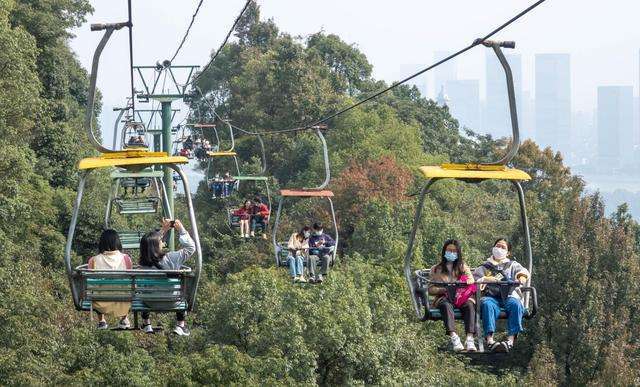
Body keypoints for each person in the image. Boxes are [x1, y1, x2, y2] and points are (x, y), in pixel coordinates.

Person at [138, 219, 196, 336]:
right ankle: (180, 325)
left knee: (144, 289)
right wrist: (181, 230)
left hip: (150, 302)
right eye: (161, 241)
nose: (162, 242)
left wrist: (163, 230)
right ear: (157, 245)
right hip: (173, 302)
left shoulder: (143, 263)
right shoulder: (172, 258)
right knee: (181, 290)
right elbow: (191, 248)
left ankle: (146, 323)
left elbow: (150, 243)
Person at [473, 238, 530, 353]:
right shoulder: (484, 267)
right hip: (491, 296)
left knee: (516, 305)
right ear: (493, 248)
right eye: (498, 246)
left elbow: (522, 271)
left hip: (508, 296)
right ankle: (490, 340)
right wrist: (485, 279)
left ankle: (510, 340)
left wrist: (521, 277)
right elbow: (475, 280)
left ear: (508, 252)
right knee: (487, 305)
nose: (499, 249)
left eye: (503, 247)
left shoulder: (512, 265)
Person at [428, 239, 477, 352]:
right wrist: (445, 289)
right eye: (449, 250)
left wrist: (467, 282)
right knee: (445, 305)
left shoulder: (462, 267)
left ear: (458, 253)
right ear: (444, 251)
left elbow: (470, 279)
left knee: (469, 305)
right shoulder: (436, 269)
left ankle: (470, 338)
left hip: (460, 297)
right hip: (444, 297)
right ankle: (454, 336)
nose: (451, 253)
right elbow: (431, 289)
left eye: (454, 251)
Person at [87, 229, 133, 330]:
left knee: (97, 291)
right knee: (125, 288)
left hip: (101, 303)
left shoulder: (94, 260)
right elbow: (129, 281)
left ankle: (101, 321)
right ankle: (124, 318)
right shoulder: (126, 259)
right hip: (123, 302)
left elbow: (90, 284)